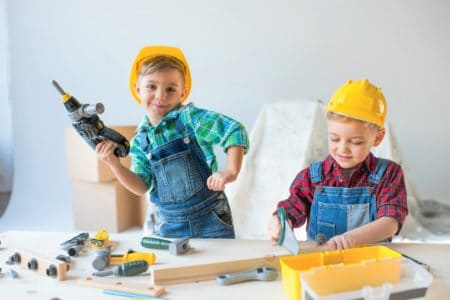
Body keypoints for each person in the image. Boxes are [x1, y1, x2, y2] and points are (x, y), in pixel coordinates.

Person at [96, 46, 249, 238]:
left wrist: (230, 172)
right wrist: (114, 164)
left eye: (170, 89)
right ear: (137, 89)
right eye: (151, 86)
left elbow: (233, 130)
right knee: (177, 268)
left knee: (217, 267)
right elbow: (141, 186)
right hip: (170, 224)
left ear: (182, 93)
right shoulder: (141, 141)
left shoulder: (190, 119)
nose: (160, 96)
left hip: (211, 218)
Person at [268, 79, 408, 250]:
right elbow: (292, 208)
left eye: (355, 142)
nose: (343, 149)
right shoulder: (312, 177)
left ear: (377, 138)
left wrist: (352, 238)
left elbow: (391, 222)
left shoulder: (388, 174)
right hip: (322, 261)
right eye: (334, 139)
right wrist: (280, 222)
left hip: (370, 261)